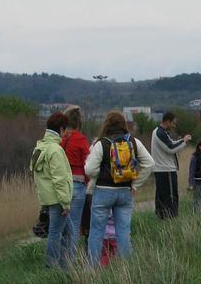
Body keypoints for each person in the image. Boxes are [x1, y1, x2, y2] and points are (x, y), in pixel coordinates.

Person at [84, 110, 154, 266]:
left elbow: (89, 170)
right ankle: (126, 269)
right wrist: (135, 184)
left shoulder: (101, 143)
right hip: (125, 192)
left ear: (106, 124)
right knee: (123, 232)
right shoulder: (134, 142)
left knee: (96, 232)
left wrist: (100, 173)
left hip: (103, 191)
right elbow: (150, 163)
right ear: (123, 124)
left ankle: (92, 270)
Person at [30, 111, 73, 269]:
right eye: (65, 129)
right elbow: (60, 179)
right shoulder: (55, 150)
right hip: (58, 200)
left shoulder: (39, 147)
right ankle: (52, 269)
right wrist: (66, 203)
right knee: (55, 234)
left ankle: (66, 267)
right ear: (61, 129)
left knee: (69, 233)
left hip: (47, 199)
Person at [59, 105, 90, 262]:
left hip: (62, 186)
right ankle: (69, 264)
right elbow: (88, 165)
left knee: (62, 228)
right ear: (79, 122)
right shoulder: (81, 140)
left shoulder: (61, 140)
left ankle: (60, 262)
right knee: (74, 228)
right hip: (78, 186)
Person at [150, 111, 191, 219]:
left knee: (161, 196)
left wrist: (182, 140)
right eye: (173, 123)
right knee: (171, 197)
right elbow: (171, 149)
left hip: (162, 170)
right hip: (166, 170)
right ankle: (171, 219)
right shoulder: (160, 133)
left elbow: (171, 143)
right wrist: (185, 142)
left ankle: (162, 219)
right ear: (168, 121)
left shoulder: (159, 132)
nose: (174, 125)